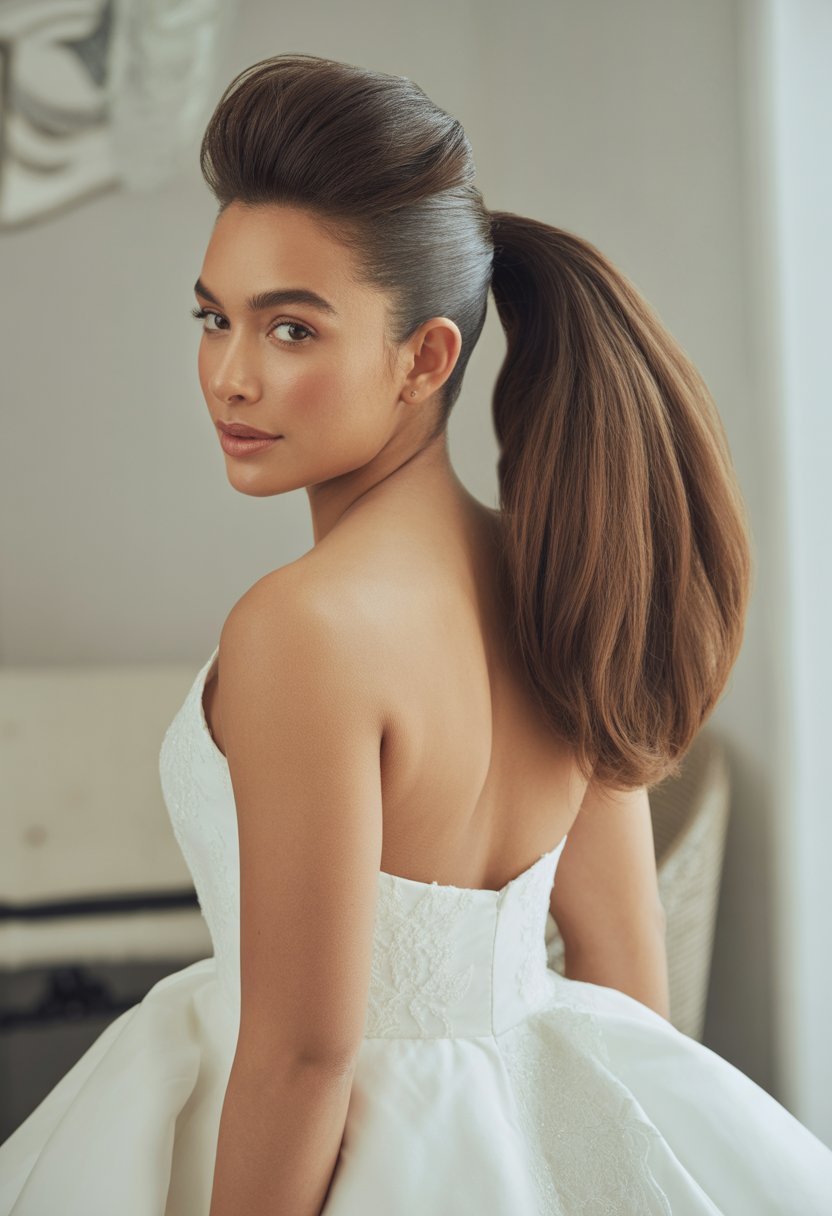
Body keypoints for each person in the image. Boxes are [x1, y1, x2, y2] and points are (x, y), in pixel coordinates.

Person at [1, 50, 830, 1216]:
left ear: (426, 357)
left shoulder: (305, 628)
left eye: (290, 331)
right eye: (213, 318)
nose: (230, 377)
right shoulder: (558, 570)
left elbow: (304, 1055)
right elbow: (626, 978)